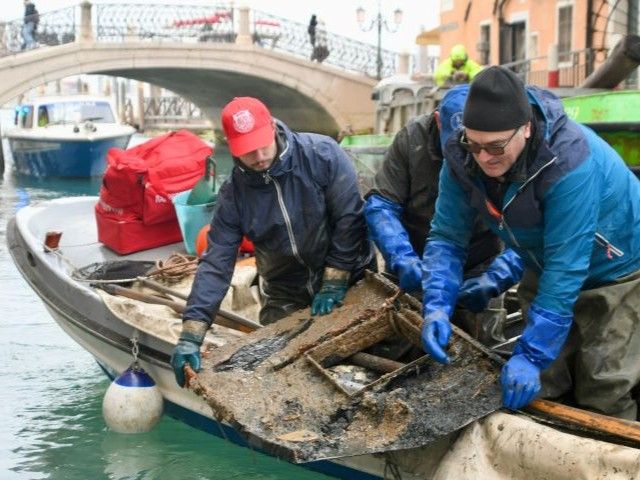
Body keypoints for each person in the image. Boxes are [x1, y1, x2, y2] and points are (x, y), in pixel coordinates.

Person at [421, 65, 640, 419]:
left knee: (604, 384)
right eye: (473, 144)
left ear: (526, 127)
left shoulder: (570, 162)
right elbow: (447, 237)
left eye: (495, 146)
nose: (483, 158)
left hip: (619, 264)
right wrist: (436, 304)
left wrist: (532, 354)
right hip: (540, 259)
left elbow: (566, 266)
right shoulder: (462, 156)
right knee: (546, 381)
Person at [171, 96, 374, 387]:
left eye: (262, 144)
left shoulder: (322, 154)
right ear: (232, 148)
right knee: (285, 374)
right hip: (285, 291)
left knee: (360, 355)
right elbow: (216, 263)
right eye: (247, 151)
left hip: (351, 276)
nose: (259, 156)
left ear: (273, 128)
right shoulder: (233, 196)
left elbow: (349, 218)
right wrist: (191, 333)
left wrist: (335, 279)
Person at [364, 84, 522, 344]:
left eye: (472, 143)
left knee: (485, 348)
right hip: (417, 262)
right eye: (457, 141)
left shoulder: (500, 149)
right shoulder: (410, 139)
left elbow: (535, 231)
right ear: (437, 120)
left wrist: (499, 274)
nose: (465, 154)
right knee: (404, 343)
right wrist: (400, 256)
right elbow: (381, 204)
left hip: (481, 262)